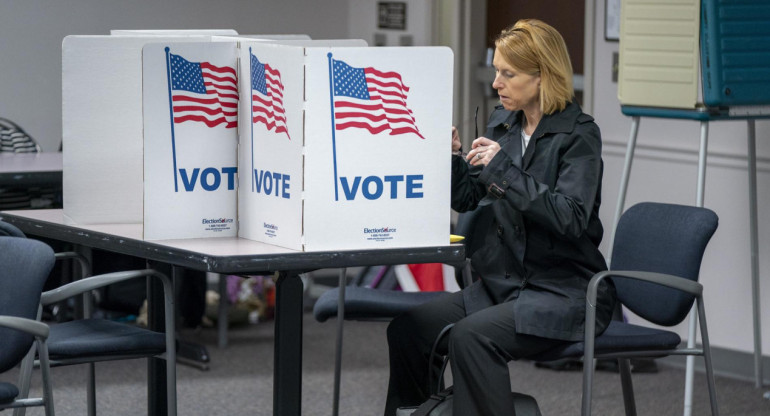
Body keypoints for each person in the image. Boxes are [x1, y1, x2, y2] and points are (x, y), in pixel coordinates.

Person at [384, 19, 617, 416]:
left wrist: (504, 171)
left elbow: (571, 218)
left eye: (508, 74)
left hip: (564, 292)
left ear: (542, 76)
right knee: (409, 330)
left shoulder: (579, 135)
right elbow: (468, 198)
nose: (496, 83)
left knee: (471, 338)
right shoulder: (503, 123)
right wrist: (454, 157)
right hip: (503, 285)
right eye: (496, 71)